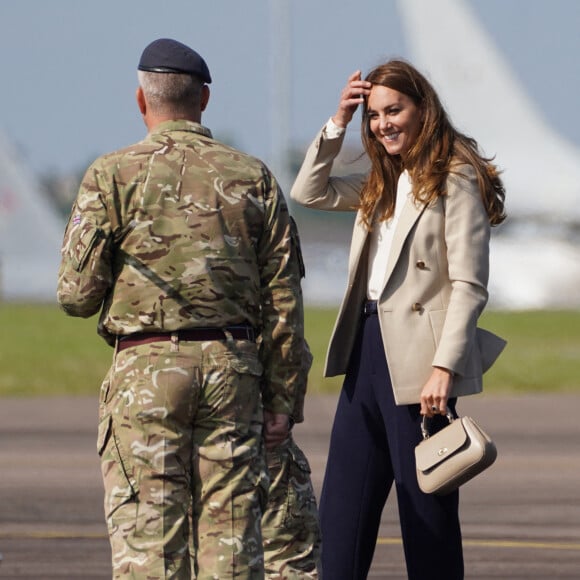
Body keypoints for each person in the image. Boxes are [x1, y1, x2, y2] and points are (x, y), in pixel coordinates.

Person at [57, 38, 310, 579]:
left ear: (141, 101)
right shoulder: (254, 177)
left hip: (145, 373)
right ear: (205, 99)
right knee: (233, 540)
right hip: (232, 371)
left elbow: (75, 296)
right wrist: (283, 399)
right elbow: (284, 298)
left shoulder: (112, 175)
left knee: (150, 540)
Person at [290, 60, 507, 580]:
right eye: (374, 115)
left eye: (394, 111)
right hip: (363, 349)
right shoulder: (378, 178)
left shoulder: (455, 176)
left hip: (419, 365)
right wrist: (338, 120)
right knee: (340, 519)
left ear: (422, 109)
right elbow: (308, 192)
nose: (383, 123)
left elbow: (469, 284)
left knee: (425, 518)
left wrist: (444, 367)